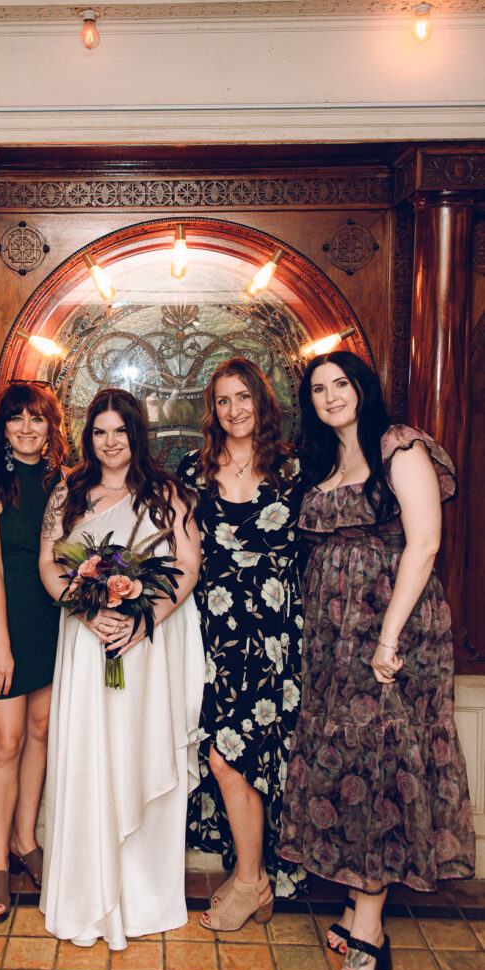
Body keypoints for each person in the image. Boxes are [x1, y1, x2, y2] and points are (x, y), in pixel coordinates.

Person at [280, 351, 475, 970]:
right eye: (318, 389)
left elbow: (425, 543)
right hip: (332, 644)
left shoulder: (399, 446)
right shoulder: (325, 463)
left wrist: (387, 639)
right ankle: (356, 905)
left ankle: (368, 930)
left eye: (342, 384)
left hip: (393, 638)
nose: (331, 396)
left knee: (382, 770)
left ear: (363, 388)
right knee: (344, 767)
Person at [38, 388, 205, 949]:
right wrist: (85, 610)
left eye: (120, 431)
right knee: (90, 755)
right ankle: (86, 894)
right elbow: (48, 562)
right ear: (89, 437)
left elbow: (187, 565)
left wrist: (143, 619)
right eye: (100, 432)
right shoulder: (68, 491)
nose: (110, 443)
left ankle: (143, 896)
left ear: (137, 434)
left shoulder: (167, 493)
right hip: (87, 643)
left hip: (144, 645)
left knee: (137, 752)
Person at [179, 356, 306, 932]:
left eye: (243, 397)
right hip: (215, 632)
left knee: (247, 754)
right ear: (213, 409)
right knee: (224, 752)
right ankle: (253, 878)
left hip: (274, 634)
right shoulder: (194, 469)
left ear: (261, 399)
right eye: (223, 400)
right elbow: (175, 547)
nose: (234, 410)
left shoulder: (292, 469)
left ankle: (252, 880)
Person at [0, 381, 67, 922]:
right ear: (3, 428)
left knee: (40, 731)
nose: (27, 428)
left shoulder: (64, 484)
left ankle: (26, 840)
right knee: (6, 743)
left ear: (51, 427)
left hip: (51, 618)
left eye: (37, 418)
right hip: (5, 621)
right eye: (16, 418)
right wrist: (1, 647)